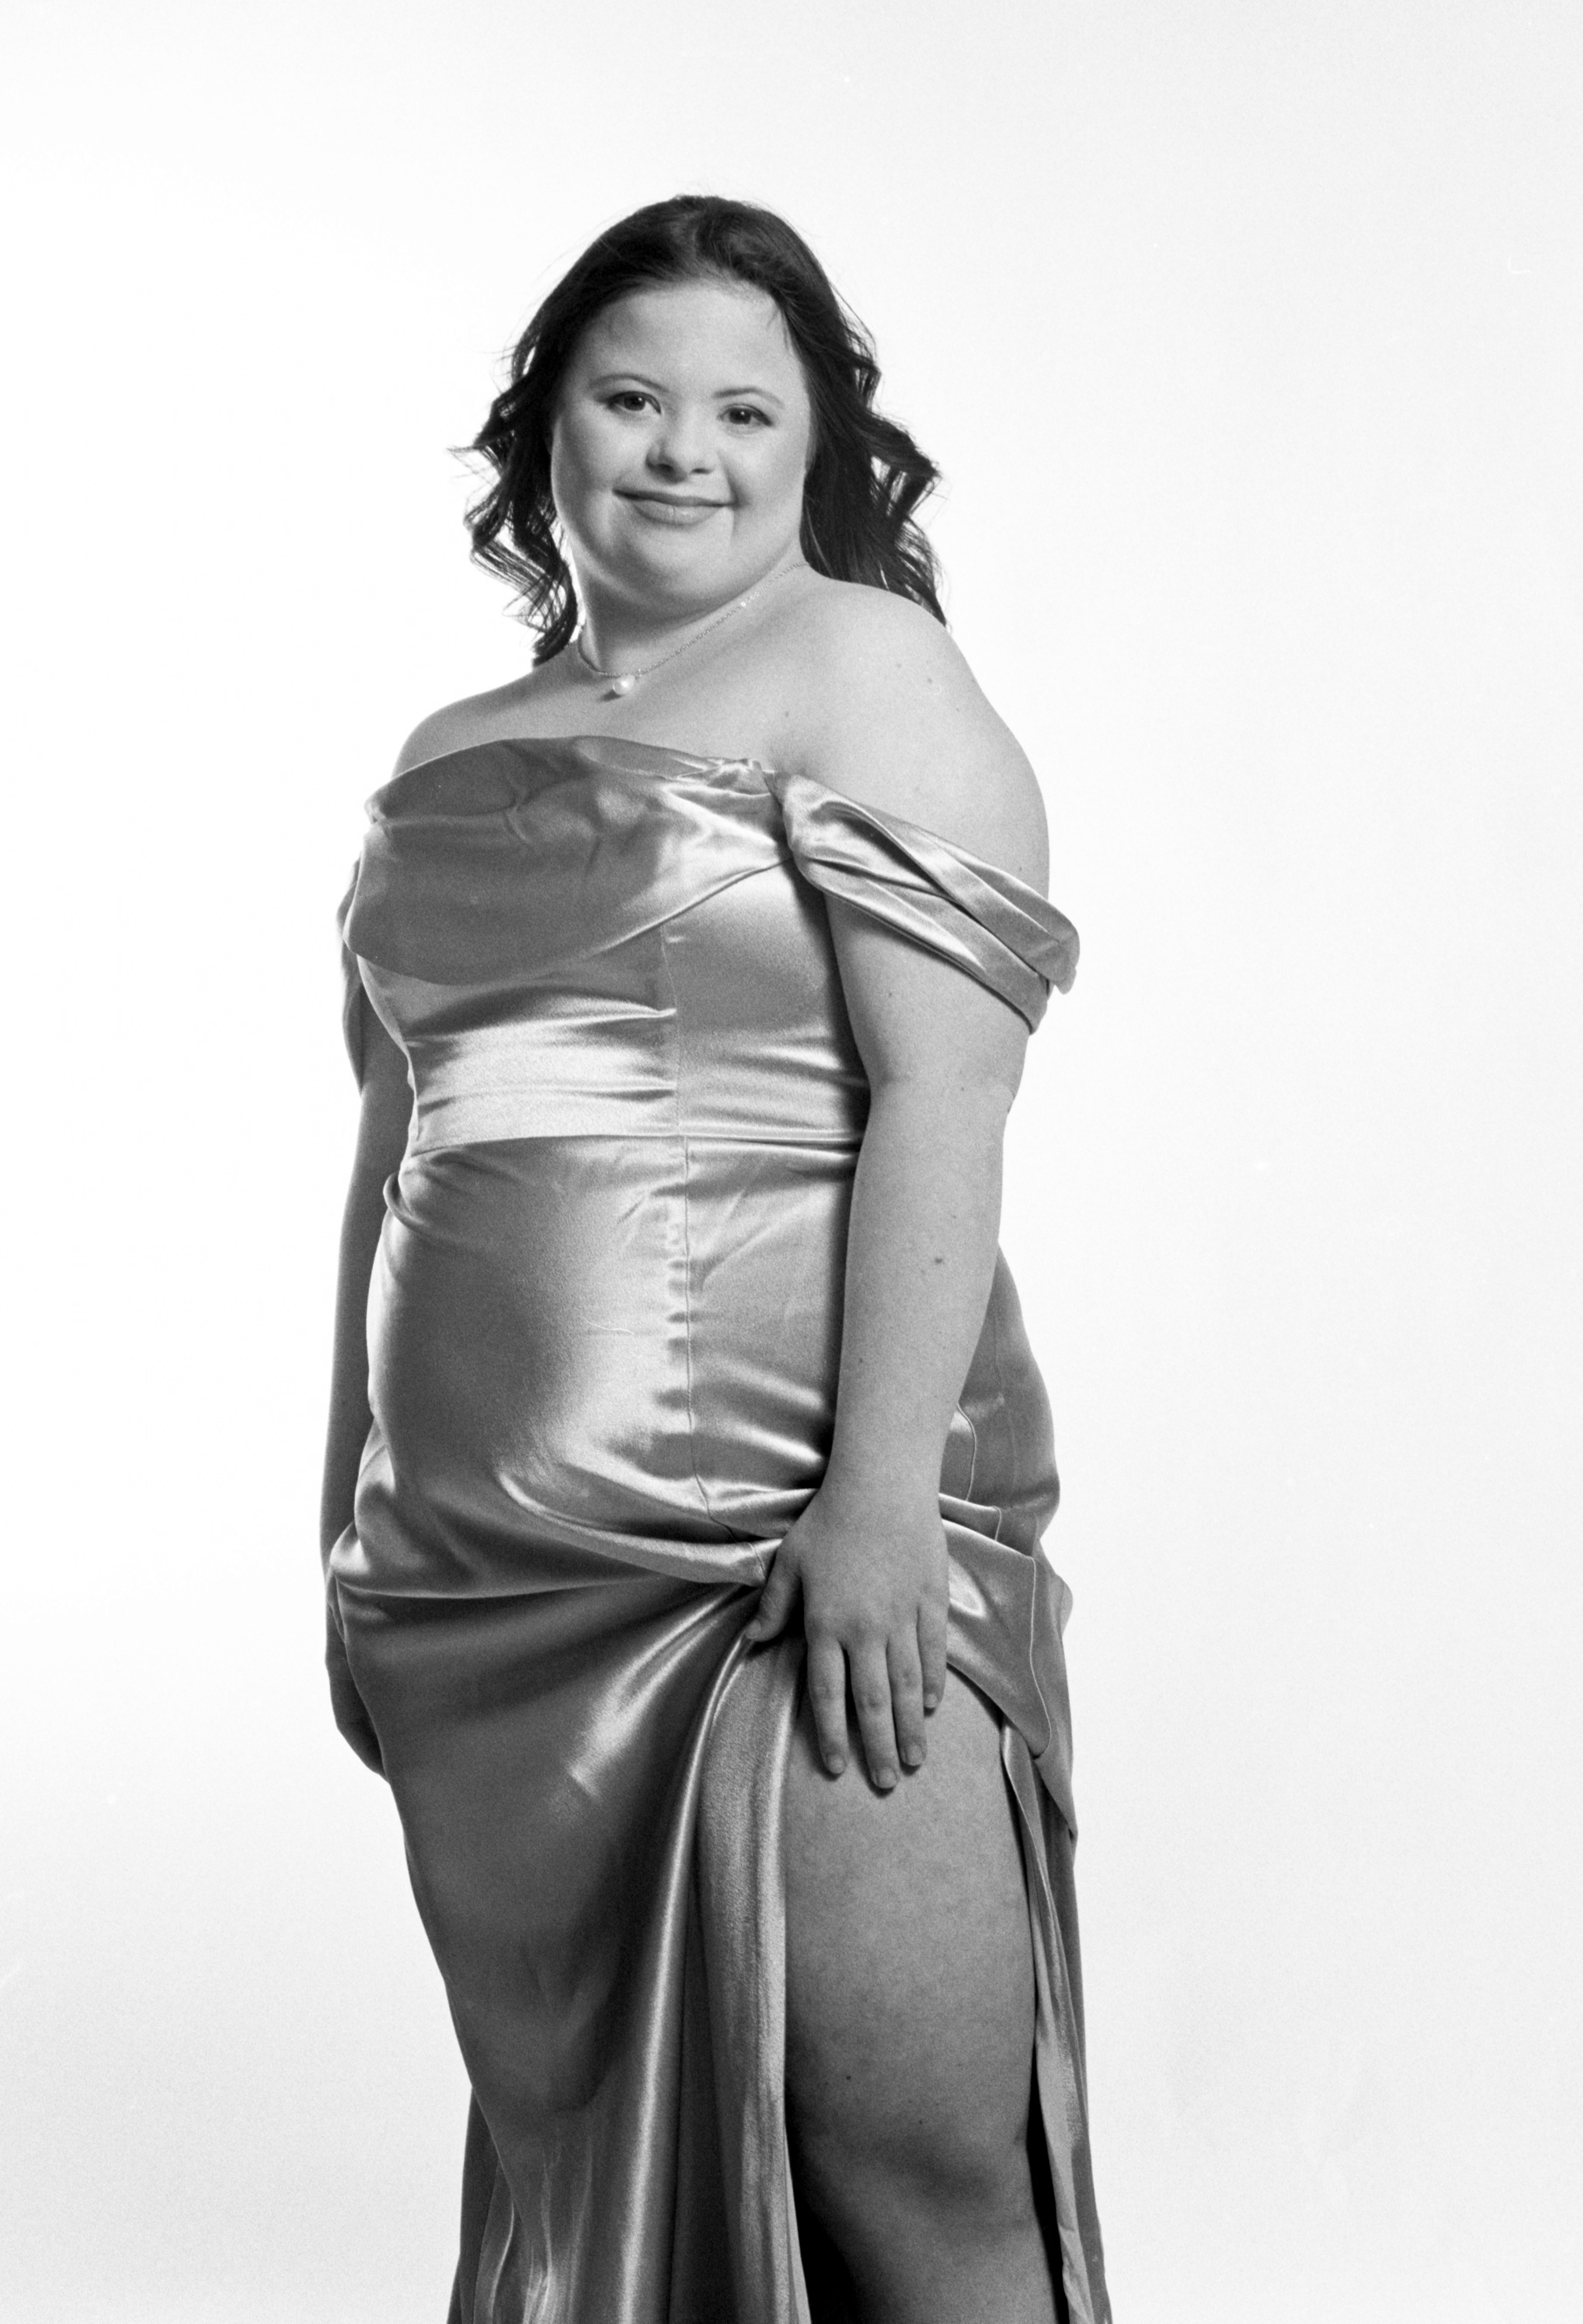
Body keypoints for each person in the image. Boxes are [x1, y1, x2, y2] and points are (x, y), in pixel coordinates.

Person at [322, 196, 1111, 2324]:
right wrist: (342, 1525)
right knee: (621, 2189)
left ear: (817, 446)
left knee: (918, 2169)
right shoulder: (443, 760)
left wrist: (872, 1515)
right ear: (548, 428)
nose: (684, 448)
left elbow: (948, 1101)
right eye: (633, 395)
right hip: (489, 1613)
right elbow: (395, 1153)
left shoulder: (866, 666)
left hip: (799, 1543)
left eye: (743, 408)